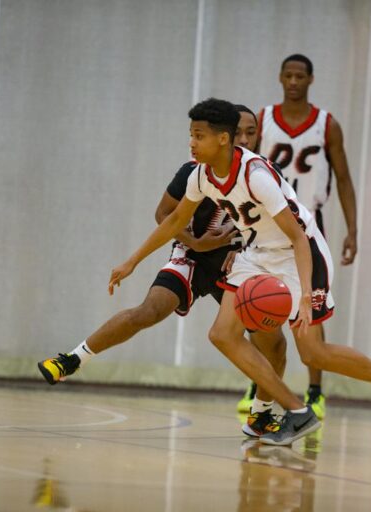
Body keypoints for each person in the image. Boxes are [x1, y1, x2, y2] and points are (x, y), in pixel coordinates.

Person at [108, 98, 371, 446]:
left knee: (313, 353)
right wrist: (132, 261)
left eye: (199, 136)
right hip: (257, 252)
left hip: (300, 251)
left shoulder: (255, 176)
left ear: (223, 139)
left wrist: (307, 299)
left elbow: (298, 237)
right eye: (191, 135)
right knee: (222, 334)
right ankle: (294, 411)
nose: (191, 143)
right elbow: (175, 220)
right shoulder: (202, 176)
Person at [38, 107, 288, 439]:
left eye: (250, 132)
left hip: (238, 263)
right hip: (192, 255)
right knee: (149, 310)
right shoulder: (194, 172)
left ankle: (262, 412)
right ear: (226, 136)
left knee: (273, 343)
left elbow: (278, 230)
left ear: (256, 135)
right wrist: (189, 244)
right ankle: (72, 359)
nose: (245, 138)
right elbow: (164, 215)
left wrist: (248, 254)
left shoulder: (263, 174)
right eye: (239, 131)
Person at [237, 54, 358, 418]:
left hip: (308, 222)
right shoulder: (261, 119)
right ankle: (261, 384)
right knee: (257, 305)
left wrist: (353, 229)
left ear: (310, 79)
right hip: (264, 225)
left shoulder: (326, 124)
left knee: (311, 309)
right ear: (279, 77)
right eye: (287, 75)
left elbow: (344, 178)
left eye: (299, 76)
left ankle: (315, 391)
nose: (293, 81)